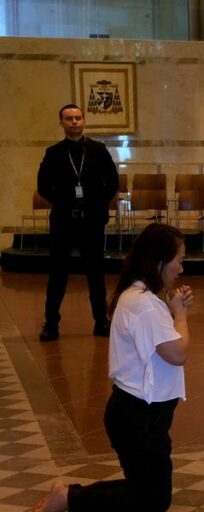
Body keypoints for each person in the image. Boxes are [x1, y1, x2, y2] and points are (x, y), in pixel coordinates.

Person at [26, 223, 193, 512]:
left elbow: (157, 344)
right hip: (138, 417)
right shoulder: (142, 304)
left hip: (137, 415)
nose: (181, 267)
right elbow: (177, 353)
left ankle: (69, 495)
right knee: (152, 498)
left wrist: (170, 310)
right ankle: (69, 497)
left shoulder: (139, 296)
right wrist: (180, 315)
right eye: (178, 259)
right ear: (159, 261)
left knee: (149, 492)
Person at [37, 104, 120, 341]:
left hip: (92, 222)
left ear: (83, 121)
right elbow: (43, 186)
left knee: (96, 273)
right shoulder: (53, 153)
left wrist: (96, 205)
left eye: (78, 117)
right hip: (63, 221)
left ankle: (101, 321)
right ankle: (51, 324)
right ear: (61, 123)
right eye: (69, 118)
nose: (74, 122)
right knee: (58, 274)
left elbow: (112, 182)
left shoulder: (98, 150)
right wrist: (64, 203)